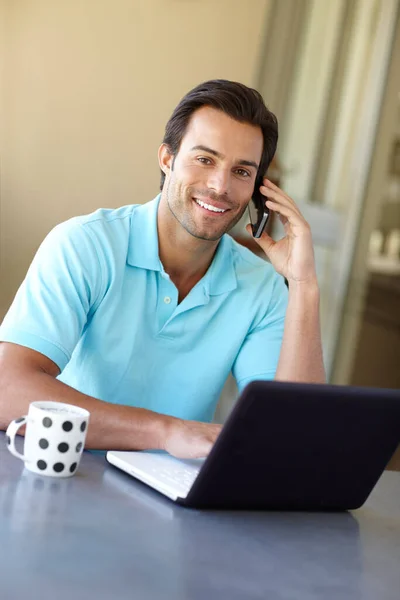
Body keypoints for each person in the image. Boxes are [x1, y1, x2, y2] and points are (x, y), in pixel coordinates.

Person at [0, 80, 325, 458]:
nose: (220, 185)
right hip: (65, 476)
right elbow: (8, 388)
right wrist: (165, 431)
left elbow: (295, 435)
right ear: (167, 159)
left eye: (241, 172)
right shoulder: (86, 245)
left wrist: (303, 283)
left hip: (174, 501)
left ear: (259, 189)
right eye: (205, 159)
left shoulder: (262, 287)